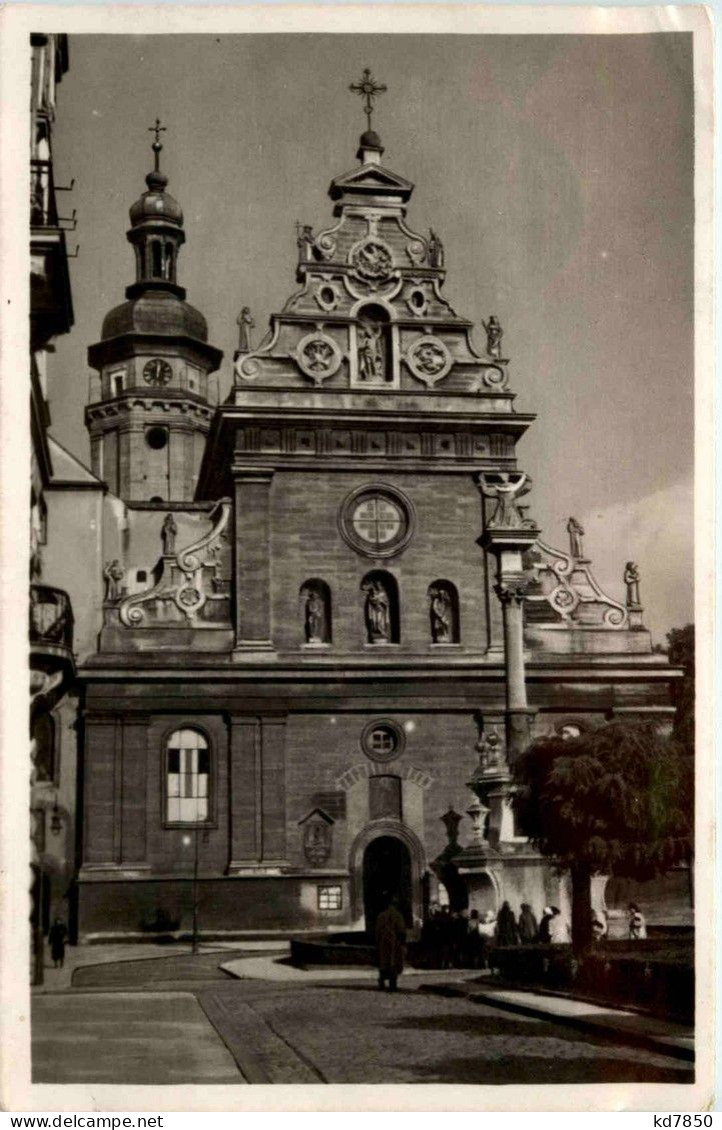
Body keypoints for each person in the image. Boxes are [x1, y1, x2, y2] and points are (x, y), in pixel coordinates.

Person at [375, 895, 406, 991]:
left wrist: (377, 942)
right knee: (394, 962)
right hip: (394, 942)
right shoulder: (398, 915)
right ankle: (393, 984)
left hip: (383, 942)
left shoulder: (381, 916)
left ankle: (382, 981)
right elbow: (401, 930)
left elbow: (377, 931)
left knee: (383, 962)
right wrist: (403, 942)